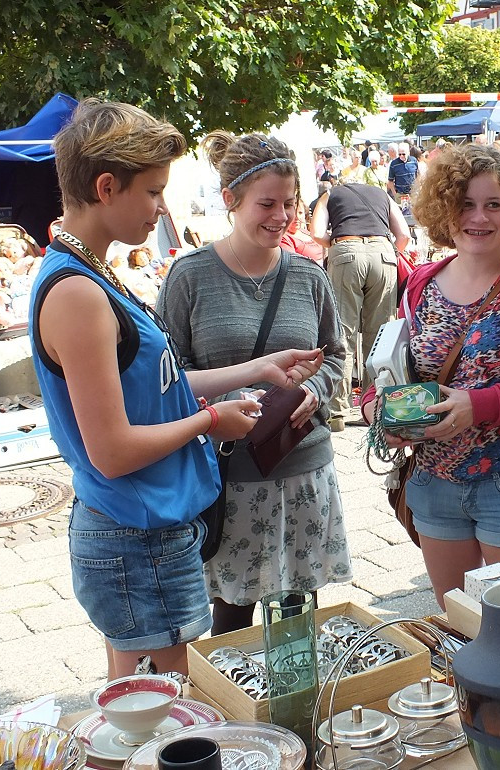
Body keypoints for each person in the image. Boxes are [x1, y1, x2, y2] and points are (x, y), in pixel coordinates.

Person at [30, 99, 324, 678]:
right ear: (107, 187)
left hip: (145, 530)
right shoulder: (79, 293)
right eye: (153, 191)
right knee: (165, 719)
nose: (161, 208)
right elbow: (112, 451)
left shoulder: (88, 274)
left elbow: (157, 384)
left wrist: (258, 368)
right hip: (137, 535)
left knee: (138, 713)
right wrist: (212, 422)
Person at [361, 144, 500, 608]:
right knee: (457, 623)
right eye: (465, 204)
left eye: (492, 205)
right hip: (434, 483)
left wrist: (477, 406)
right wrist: (376, 409)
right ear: (444, 210)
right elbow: (390, 368)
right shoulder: (421, 282)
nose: (478, 218)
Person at [157, 131, 349, 636]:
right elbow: (166, 377)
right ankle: (234, 713)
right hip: (228, 476)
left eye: (290, 203)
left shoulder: (310, 276)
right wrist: (222, 405)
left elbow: (338, 356)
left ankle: (294, 711)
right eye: (267, 203)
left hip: (302, 466)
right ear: (230, 200)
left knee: (297, 620)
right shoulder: (189, 277)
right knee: (232, 621)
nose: (281, 216)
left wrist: (315, 391)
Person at [310, 182, 411, 430]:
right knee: (381, 335)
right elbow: (405, 236)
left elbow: (316, 233)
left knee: (342, 332)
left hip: (346, 250)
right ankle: (375, 404)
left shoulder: (330, 193)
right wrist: (383, 252)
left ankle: (338, 411)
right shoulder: (383, 196)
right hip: (383, 254)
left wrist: (337, 247)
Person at [280, 198, 324, 265]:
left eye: (300, 213)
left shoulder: (305, 232)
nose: (297, 217)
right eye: (293, 213)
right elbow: (293, 264)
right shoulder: (284, 238)